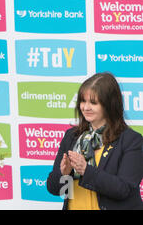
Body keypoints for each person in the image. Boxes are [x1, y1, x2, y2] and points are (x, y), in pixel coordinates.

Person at [47, 72, 143, 210]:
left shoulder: (131, 140)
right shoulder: (72, 136)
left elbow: (123, 189)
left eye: (93, 102)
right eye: (83, 101)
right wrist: (64, 174)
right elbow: (56, 190)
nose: (85, 107)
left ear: (109, 105)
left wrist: (86, 170)